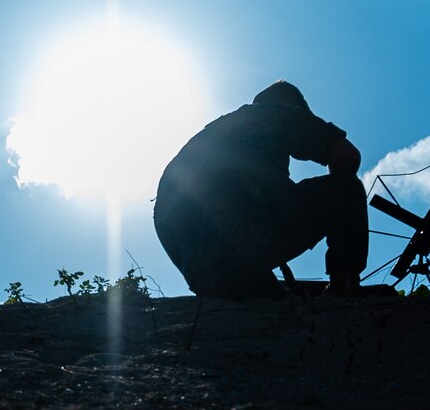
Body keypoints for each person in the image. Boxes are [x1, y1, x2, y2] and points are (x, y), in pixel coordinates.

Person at [153, 81, 367, 300]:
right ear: (292, 107)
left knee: (285, 303)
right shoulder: (278, 116)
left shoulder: (193, 150)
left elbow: (165, 229)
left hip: (207, 276)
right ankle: (345, 287)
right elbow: (347, 157)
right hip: (252, 246)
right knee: (346, 187)